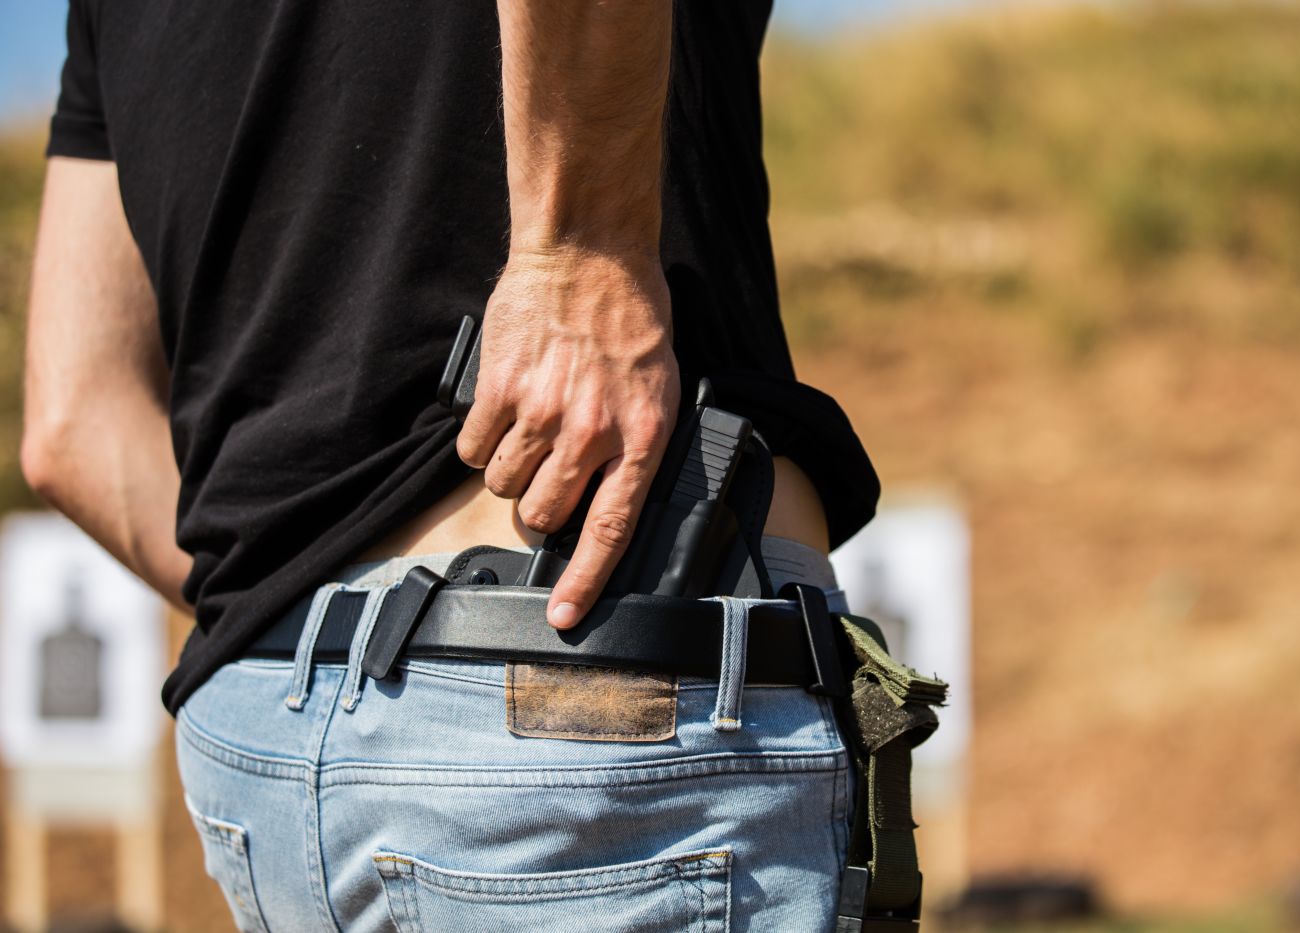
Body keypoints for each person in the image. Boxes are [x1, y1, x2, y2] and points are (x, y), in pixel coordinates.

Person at [22, 0, 881, 929]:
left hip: (262, 731)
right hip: (582, 703)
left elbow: (72, 428)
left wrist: (296, 607)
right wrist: (579, 250)